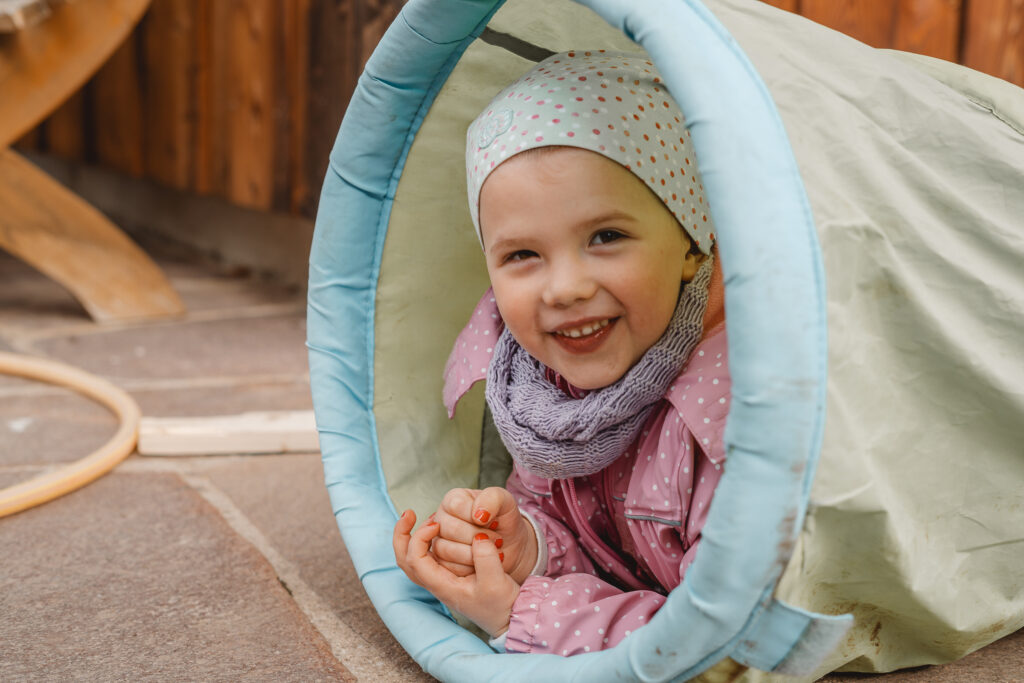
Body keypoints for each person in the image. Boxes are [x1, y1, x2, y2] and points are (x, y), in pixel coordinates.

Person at [393, 50, 729, 656]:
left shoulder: (727, 408)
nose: (565, 287)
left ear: (690, 242)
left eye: (606, 237)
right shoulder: (543, 390)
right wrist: (525, 545)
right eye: (522, 255)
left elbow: (729, 641)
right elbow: (593, 537)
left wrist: (521, 612)